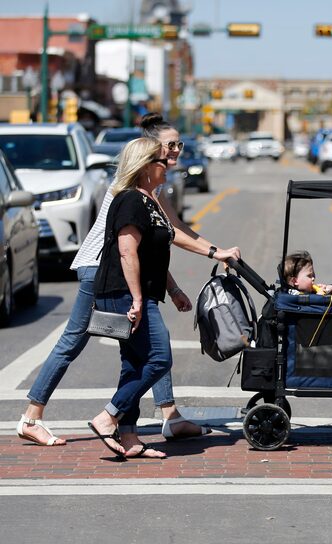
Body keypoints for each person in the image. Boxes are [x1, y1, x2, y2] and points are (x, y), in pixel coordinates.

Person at [17, 114, 240, 447]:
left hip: (126, 271)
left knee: (147, 346)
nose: (177, 150)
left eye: (179, 143)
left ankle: (169, 416)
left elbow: (161, 235)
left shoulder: (156, 184)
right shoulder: (133, 185)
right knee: (75, 342)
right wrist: (215, 252)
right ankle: (32, 417)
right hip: (101, 270)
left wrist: (176, 284)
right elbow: (166, 235)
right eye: (171, 144)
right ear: (151, 148)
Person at [87, 137, 186, 458]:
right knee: (159, 357)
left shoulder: (149, 199)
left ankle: (129, 438)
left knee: (133, 365)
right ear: (144, 167)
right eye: (161, 160)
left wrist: (172, 289)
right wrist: (137, 299)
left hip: (138, 292)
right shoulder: (130, 200)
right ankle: (109, 416)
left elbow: (153, 253)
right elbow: (128, 252)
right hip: (123, 292)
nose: (168, 164)